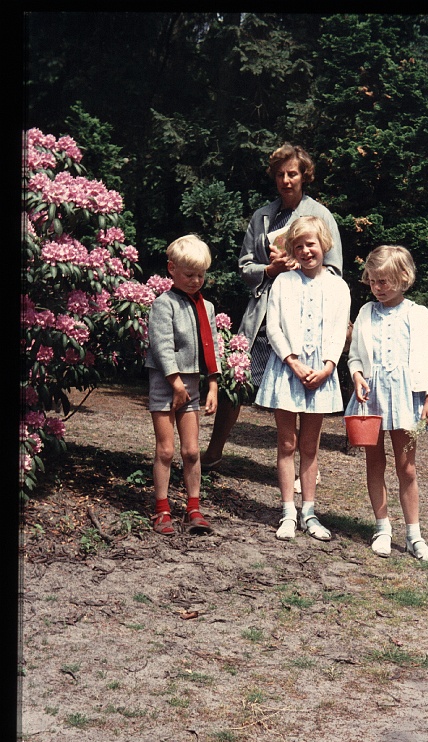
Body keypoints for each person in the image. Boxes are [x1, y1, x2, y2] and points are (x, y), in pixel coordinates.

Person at [200, 143, 343, 475]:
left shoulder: (321, 216)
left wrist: (302, 268)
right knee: (236, 380)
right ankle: (214, 451)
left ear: (304, 175)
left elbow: (334, 271)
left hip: (305, 319)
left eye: (292, 173)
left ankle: (305, 467)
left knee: (300, 389)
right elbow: (244, 265)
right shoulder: (263, 216)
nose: (286, 180)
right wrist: (270, 270)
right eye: (280, 174)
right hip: (263, 315)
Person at [255, 216, 351, 541]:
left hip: (321, 374)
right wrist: (293, 362)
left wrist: (327, 367)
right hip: (287, 370)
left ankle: (309, 512)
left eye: (311, 244)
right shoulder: (284, 282)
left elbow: (339, 332)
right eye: (299, 246)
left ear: (324, 244)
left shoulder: (338, 287)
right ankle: (287, 513)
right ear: (292, 250)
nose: (306, 251)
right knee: (287, 442)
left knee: (310, 445)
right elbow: (273, 328)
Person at [345, 245, 428, 561]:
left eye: (384, 281)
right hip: (372, 397)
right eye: (373, 281)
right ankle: (382, 528)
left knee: (406, 466)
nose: (377, 287)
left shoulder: (418, 314)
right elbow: (355, 355)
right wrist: (357, 375)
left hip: (406, 396)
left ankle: (414, 536)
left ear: (403, 277)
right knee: (375, 462)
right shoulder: (365, 313)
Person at [145, 235, 220, 536]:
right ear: (171, 269)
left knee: (191, 450)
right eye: (189, 274)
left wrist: (213, 385)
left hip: (192, 385)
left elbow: (212, 347)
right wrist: (175, 383)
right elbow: (162, 347)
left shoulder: (207, 307)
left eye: (200, 275)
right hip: (166, 383)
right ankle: (162, 509)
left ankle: (193, 507)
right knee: (166, 450)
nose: (195, 280)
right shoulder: (163, 305)